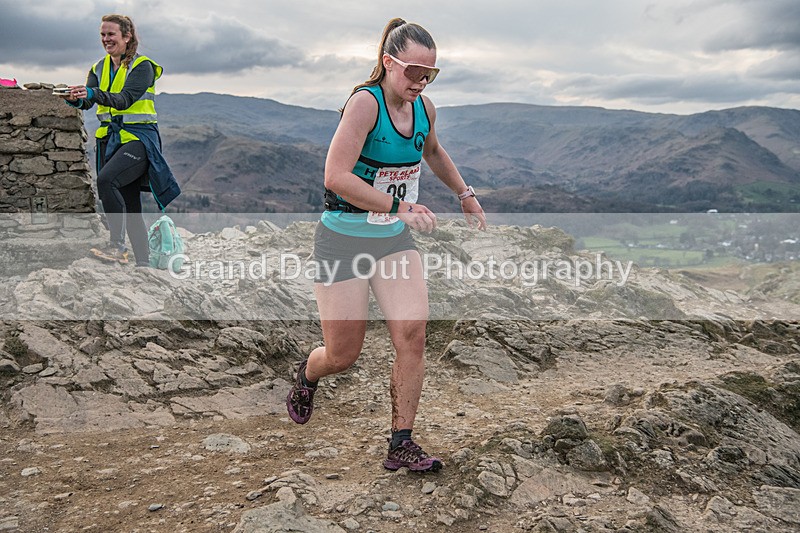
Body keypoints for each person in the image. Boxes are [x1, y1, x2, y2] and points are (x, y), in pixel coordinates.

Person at [286, 18, 487, 472]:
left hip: (393, 241)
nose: (420, 81)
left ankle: (402, 441)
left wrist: (464, 194)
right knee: (343, 354)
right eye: (413, 71)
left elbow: (432, 151)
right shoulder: (364, 104)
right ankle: (308, 373)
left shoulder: (425, 109)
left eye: (429, 74)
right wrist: (399, 206)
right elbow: (335, 176)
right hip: (342, 239)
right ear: (387, 63)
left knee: (413, 335)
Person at [59, 14, 180, 266]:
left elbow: (124, 99)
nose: (106, 39)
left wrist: (92, 92)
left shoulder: (142, 66)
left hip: (139, 139)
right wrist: (76, 98)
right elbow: (89, 101)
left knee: (106, 181)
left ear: (127, 37)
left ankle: (117, 247)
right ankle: (144, 265)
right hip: (112, 141)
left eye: (111, 34)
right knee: (130, 201)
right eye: (103, 34)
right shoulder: (98, 68)